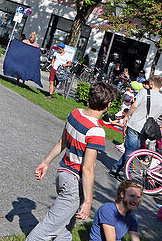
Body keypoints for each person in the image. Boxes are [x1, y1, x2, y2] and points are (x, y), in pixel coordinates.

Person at [27, 81, 117, 240]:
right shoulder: (96, 131)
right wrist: (88, 201)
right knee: (48, 228)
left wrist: (46, 162)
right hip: (74, 184)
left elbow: (61, 143)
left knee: (65, 228)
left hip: (62, 175)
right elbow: (87, 169)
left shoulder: (75, 114)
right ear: (108, 105)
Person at [113, 74, 162, 178]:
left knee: (130, 149)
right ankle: (116, 168)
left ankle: (126, 171)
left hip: (135, 124)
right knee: (133, 150)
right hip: (147, 129)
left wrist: (127, 115)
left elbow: (135, 105)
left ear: (152, 83)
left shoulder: (144, 92)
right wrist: (155, 117)